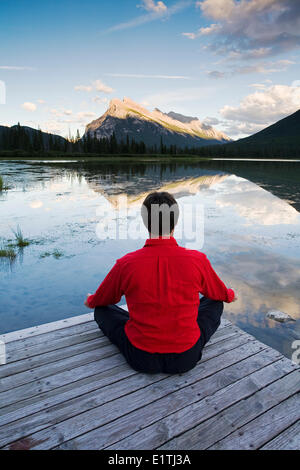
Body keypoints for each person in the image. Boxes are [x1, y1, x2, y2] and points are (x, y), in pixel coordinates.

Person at [84, 191, 237, 374]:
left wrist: (91, 300)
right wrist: (230, 294)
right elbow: (221, 295)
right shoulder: (197, 260)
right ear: (176, 221)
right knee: (214, 301)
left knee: (102, 310)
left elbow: (102, 299)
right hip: (186, 358)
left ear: (145, 222)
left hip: (141, 358)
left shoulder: (126, 263)